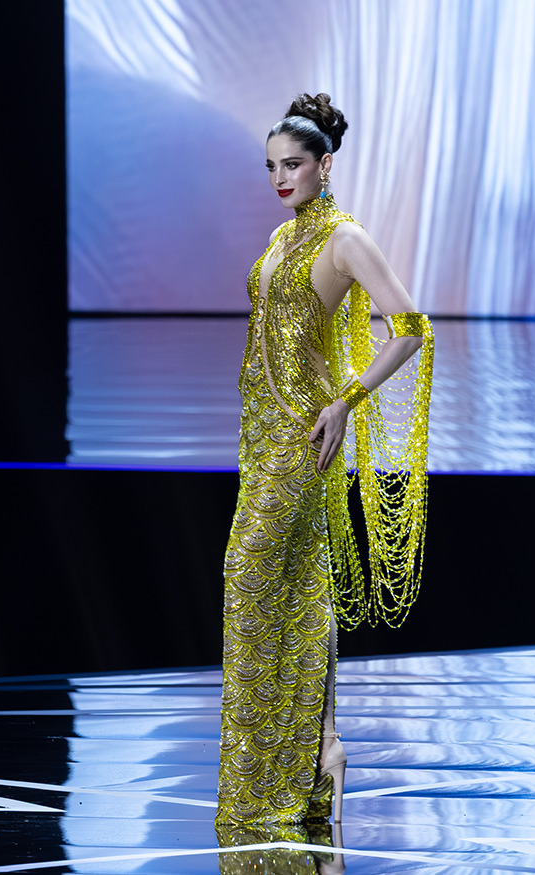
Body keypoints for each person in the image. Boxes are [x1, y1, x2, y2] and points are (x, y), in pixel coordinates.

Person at [215, 93, 433, 828]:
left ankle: (278, 768)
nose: (281, 177)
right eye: (272, 166)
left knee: (246, 570)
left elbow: (408, 326)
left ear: (325, 164)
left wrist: (346, 399)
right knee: (304, 581)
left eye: (294, 164)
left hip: (305, 436)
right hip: (260, 435)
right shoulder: (282, 236)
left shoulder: (343, 237)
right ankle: (324, 749)